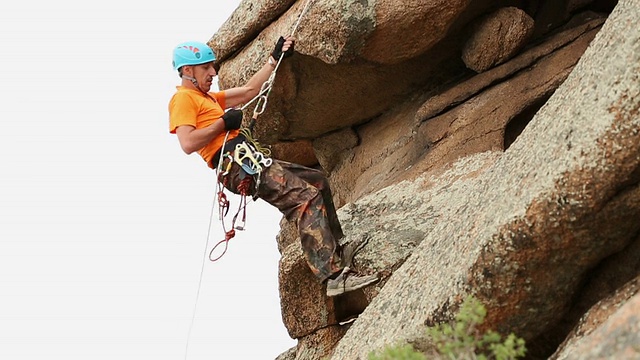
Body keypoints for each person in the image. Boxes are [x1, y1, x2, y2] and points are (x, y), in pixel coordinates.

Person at [168, 37, 378, 297]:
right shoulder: (183, 100)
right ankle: (333, 276)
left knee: (317, 181)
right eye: (206, 68)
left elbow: (247, 92)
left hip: (249, 159)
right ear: (188, 71)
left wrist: (273, 59)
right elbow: (187, 143)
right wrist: (222, 124)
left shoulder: (207, 98)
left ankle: (337, 248)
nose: (213, 73)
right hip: (237, 165)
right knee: (305, 198)